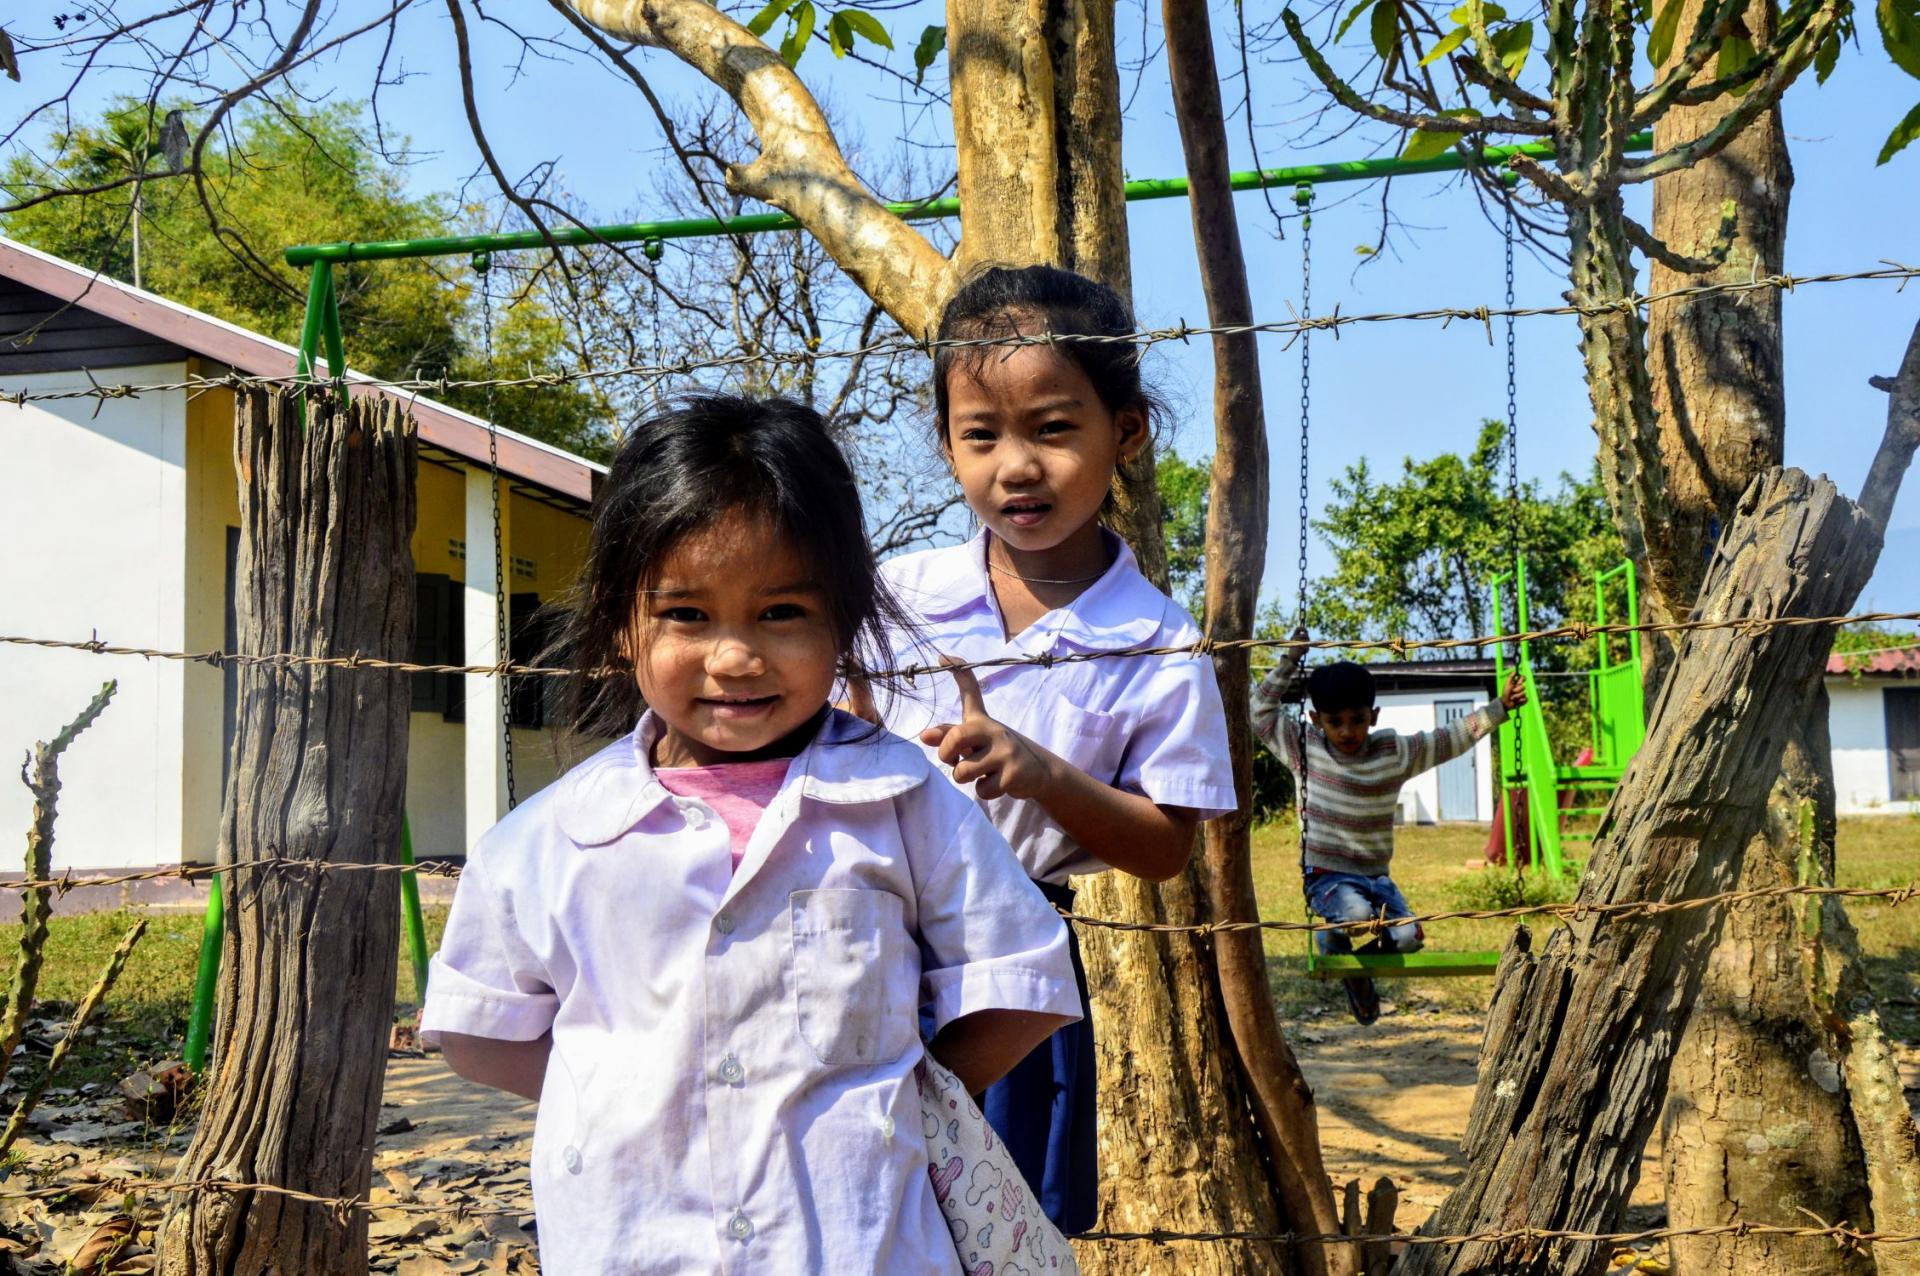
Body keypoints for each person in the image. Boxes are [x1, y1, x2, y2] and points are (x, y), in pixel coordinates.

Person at [419, 395, 1082, 1274]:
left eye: (780, 613)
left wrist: (903, 1099)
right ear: (624, 625)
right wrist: (638, 1092)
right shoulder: (550, 838)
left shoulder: (904, 802)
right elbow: (481, 1031)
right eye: (687, 616)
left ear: (842, 621)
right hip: (632, 1241)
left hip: (860, 1241)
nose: (735, 658)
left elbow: (1019, 987)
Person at [871, 265, 1237, 1235]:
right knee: (856, 1195)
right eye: (981, 434)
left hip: (1011, 971)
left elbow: (1165, 847)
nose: (1015, 466)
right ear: (947, 443)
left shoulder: (1157, 642)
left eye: (1053, 428)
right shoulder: (894, 597)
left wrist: (1043, 773)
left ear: (1127, 431)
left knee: (998, 1219)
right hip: (858, 946)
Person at [1252, 630, 1527, 1024]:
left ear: (1374, 717)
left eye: (1358, 720)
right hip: (1327, 876)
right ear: (1316, 719)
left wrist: (1498, 708)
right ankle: (1335, 936)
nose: (1347, 731)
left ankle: (1349, 966)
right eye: (1335, 722)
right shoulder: (1304, 748)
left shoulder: (1393, 752)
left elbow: (1448, 739)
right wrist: (1289, 660)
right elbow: (1258, 710)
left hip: (1378, 879)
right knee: (1358, 913)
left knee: (1408, 937)